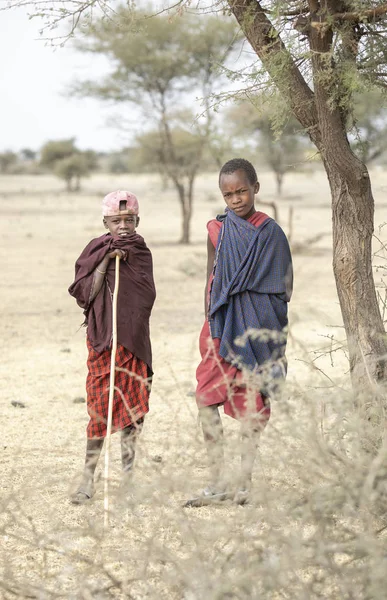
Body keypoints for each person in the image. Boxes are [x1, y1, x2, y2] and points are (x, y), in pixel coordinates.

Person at [187, 158, 292, 506]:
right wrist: (210, 319)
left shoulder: (270, 232)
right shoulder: (217, 230)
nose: (235, 200)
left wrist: (260, 314)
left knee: (252, 405)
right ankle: (217, 479)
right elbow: (211, 279)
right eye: (228, 194)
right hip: (219, 328)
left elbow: (282, 286)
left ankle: (243, 483)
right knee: (205, 399)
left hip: (255, 330)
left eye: (242, 191)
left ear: (255, 188)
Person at [68, 190, 156, 504]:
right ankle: (87, 479)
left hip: (132, 342)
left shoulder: (141, 251)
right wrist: (106, 260)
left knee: (132, 413)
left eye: (128, 220)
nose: (122, 226)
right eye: (116, 220)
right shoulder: (95, 249)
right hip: (103, 341)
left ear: (137, 221)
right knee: (98, 411)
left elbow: (147, 297)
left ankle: (129, 480)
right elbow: (85, 296)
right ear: (105, 221)